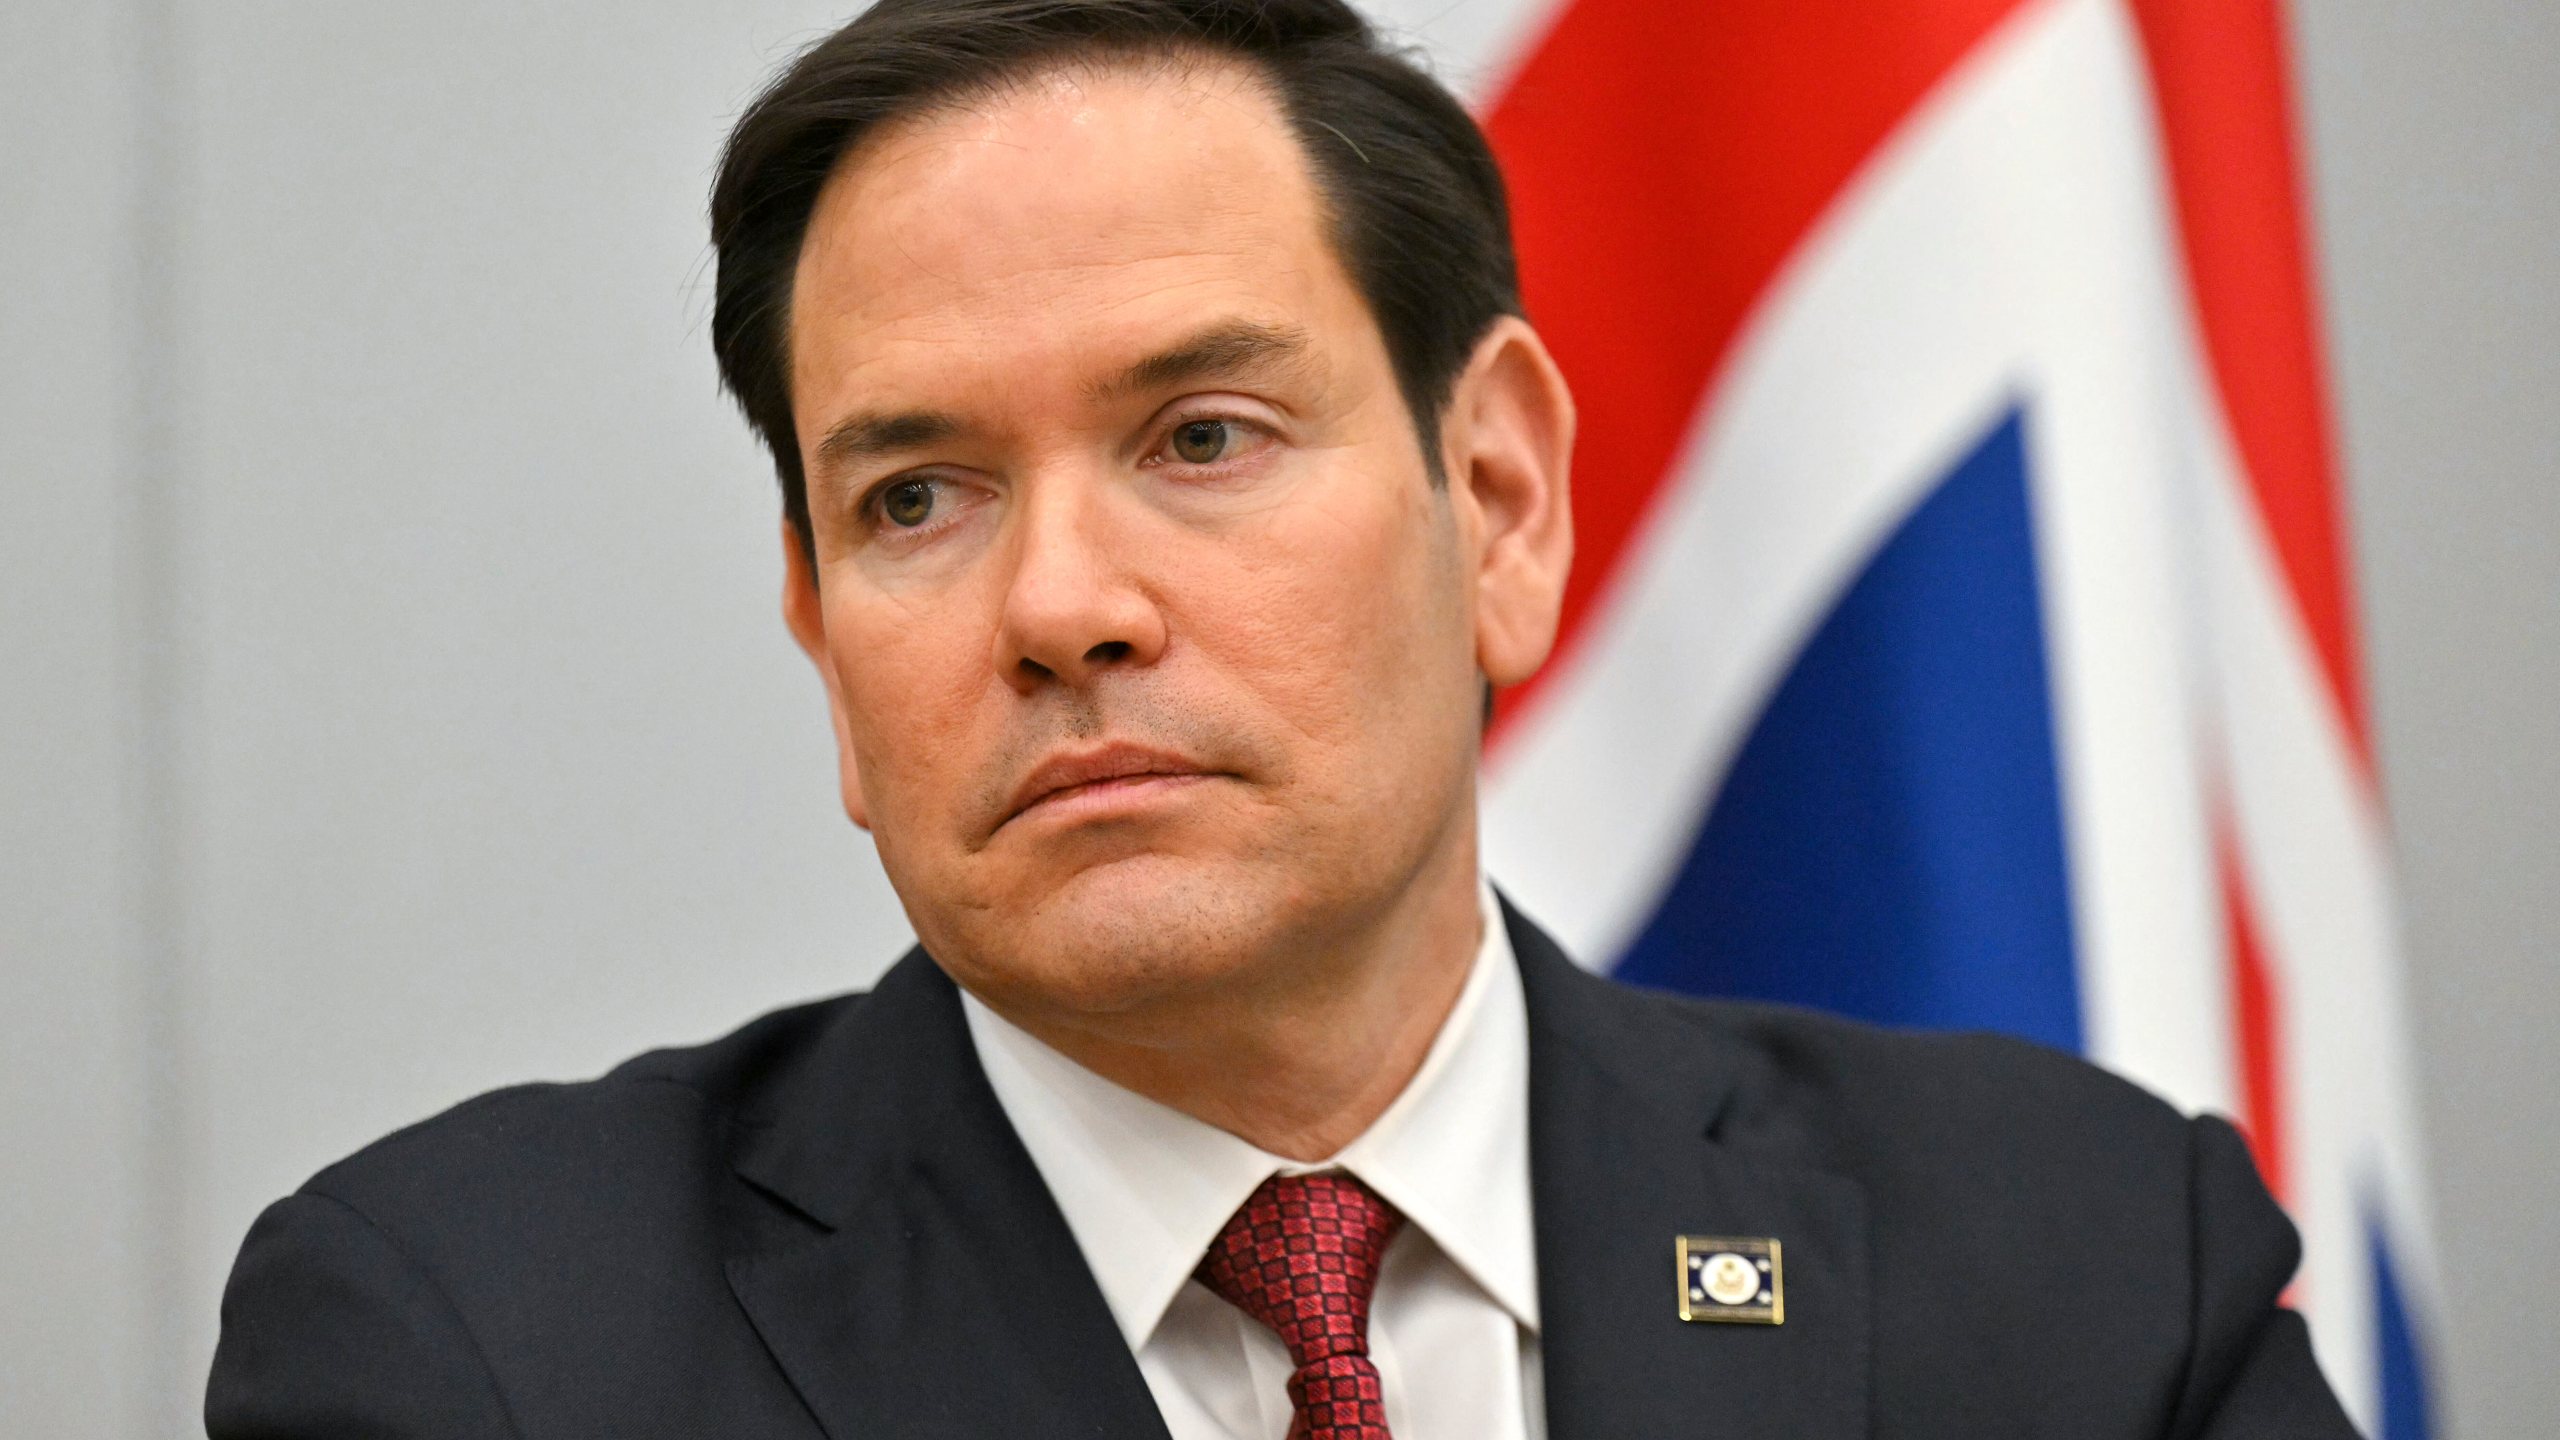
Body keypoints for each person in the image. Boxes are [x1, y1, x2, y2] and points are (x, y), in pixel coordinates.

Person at [205, 2, 2360, 1436]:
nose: (1057, 605)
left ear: (1495, 498)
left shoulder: (2082, 1272)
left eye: (1203, 435)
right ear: (819, 629)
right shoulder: (475, 1351)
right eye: (916, 498)